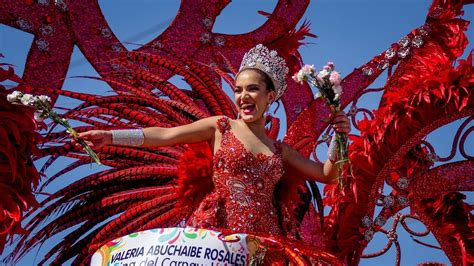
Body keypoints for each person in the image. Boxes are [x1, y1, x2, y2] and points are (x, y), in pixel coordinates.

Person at [76, 44, 350, 238]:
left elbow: (328, 174)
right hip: (216, 232)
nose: (243, 96)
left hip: (264, 242)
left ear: (270, 97)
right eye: (238, 90)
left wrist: (339, 137)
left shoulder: (280, 151)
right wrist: (111, 136)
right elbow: (165, 135)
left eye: (253, 89)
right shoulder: (221, 126)